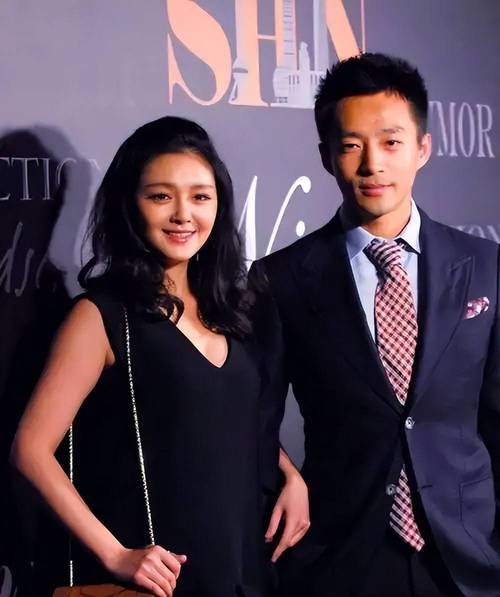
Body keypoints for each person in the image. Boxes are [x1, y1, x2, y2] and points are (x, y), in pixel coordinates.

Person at [10, 116, 309, 597]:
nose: (183, 214)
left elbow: (221, 419)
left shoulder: (235, 312)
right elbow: (30, 449)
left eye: (200, 197)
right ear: (130, 204)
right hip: (158, 580)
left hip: (241, 570)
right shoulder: (101, 317)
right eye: (161, 196)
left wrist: (289, 474)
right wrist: (114, 554)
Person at [249, 53, 500, 597]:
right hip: (340, 552)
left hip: (468, 556)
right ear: (325, 156)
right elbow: (253, 414)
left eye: (391, 142)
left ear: (423, 148)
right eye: (351, 145)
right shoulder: (281, 279)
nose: (372, 165)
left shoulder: (485, 265)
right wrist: (286, 474)